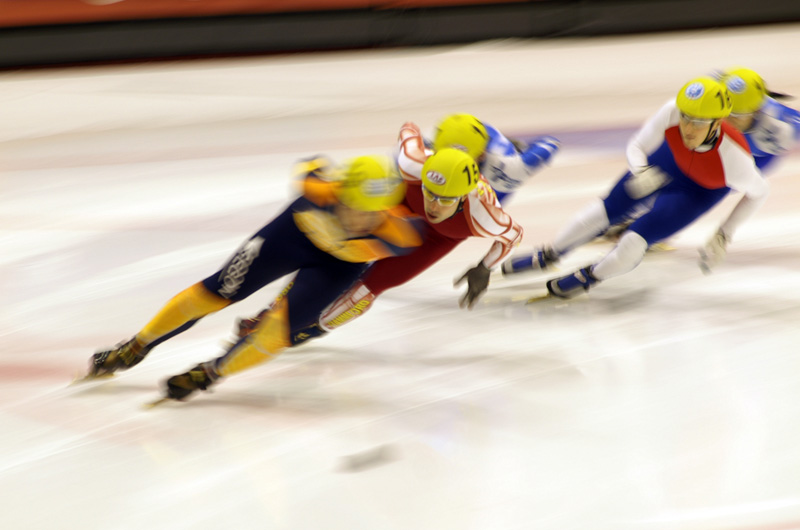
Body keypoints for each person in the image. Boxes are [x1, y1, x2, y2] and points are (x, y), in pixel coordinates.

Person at [160, 148, 505, 400]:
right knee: (336, 257)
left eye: (446, 199)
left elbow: (511, 236)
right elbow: (406, 136)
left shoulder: (486, 214)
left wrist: (484, 267)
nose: (434, 204)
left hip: (430, 240)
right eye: (430, 192)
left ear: (464, 198)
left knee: (372, 286)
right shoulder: (413, 161)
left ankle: (307, 330)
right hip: (388, 217)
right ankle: (276, 315)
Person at [82, 154, 425, 381]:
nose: (366, 219)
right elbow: (313, 164)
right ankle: (137, 346)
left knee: (278, 332)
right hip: (291, 237)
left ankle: (211, 373)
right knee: (214, 293)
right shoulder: (318, 188)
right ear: (339, 194)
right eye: (359, 208)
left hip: (336, 265)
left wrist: (212, 375)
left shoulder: (398, 233)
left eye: (376, 212)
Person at [500, 76, 768, 298]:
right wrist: (640, 171)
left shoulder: (735, 158)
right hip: (665, 163)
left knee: (633, 242)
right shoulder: (672, 110)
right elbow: (638, 145)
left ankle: (592, 275)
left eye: (699, 122)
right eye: (686, 117)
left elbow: (759, 192)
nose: (688, 128)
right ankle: (551, 253)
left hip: (698, 191)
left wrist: (724, 234)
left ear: (718, 122)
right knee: (604, 211)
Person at [720, 67, 800, 172]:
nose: (727, 119)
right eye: (723, 112)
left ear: (757, 111)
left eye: (738, 115)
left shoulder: (780, 124)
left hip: (758, 153)